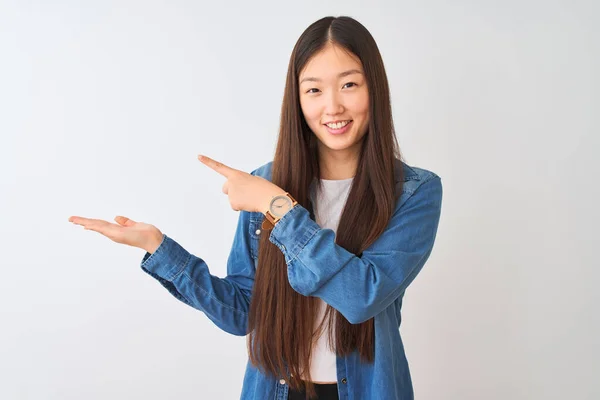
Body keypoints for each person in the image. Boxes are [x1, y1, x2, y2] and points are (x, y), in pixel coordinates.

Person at [69, 15, 443, 400]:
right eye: (313, 90)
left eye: (349, 85)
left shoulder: (413, 193)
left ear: (374, 89)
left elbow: (362, 297)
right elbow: (243, 311)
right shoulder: (265, 181)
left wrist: (276, 206)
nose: (332, 106)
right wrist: (158, 248)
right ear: (297, 99)